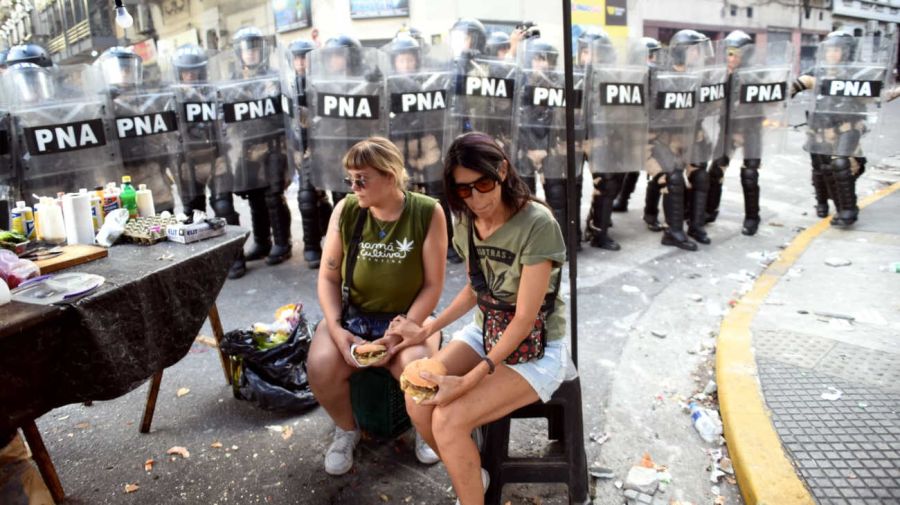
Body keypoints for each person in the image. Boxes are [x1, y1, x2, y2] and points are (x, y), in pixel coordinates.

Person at [389, 132, 574, 505]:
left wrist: (467, 381)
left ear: (502, 170)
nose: (476, 198)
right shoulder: (466, 222)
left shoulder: (537, 223)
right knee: (418, 396)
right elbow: (477, 289)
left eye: (483, 184)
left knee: (448, 419)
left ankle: (469, 488)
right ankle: (471, 473)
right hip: (486, 329)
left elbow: (524, 319)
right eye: (463, 191)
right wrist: (426, 329)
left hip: (538, 348)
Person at [307, 137, 447, 475]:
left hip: (407, 319)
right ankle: (346, 429)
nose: (354, 187)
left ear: (390, 175)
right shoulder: (347, 211)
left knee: (419, 372)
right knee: (321, 365)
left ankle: (425, 431)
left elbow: (432, 286)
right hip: (355, 316)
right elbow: (328, 278)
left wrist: (400, 334)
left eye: (362, 179)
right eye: (350, 179)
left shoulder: (427, 211)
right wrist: (338, 330)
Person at [171, 44, 246, 278]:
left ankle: (234, 258)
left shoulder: (214, 94)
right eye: (186, 72)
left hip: (216, 157)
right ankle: (203, 264)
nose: (190, 76)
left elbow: (227, 123)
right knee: (193, 215)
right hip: (187, 163)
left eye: (194, 71)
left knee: (224, 208)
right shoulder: (172, 98)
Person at [287, 38, 332, 269]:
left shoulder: (326, 80)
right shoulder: (286, 84)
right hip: (304, 149)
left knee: (342, 196)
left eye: (304, 56)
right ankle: (312, 245)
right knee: (306, 197)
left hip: (329, 147)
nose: (301, 62)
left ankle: (339, 243)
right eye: (297, 57)